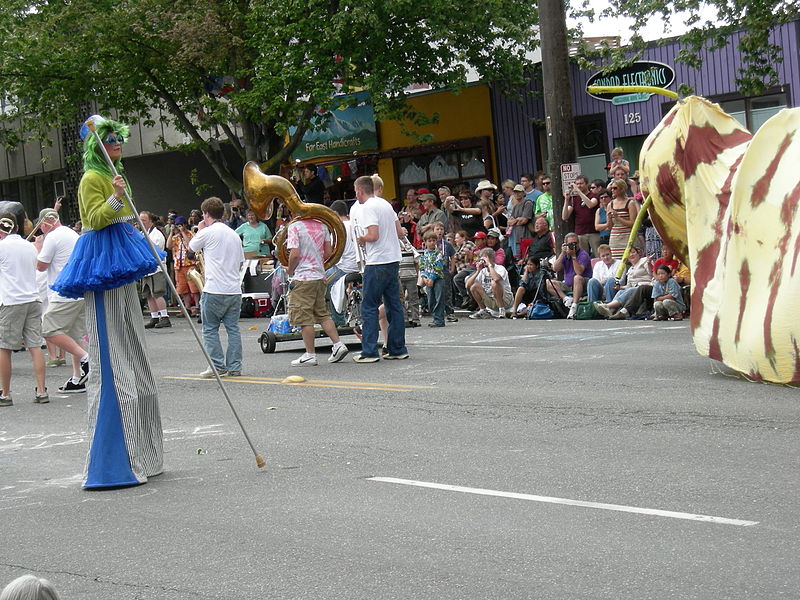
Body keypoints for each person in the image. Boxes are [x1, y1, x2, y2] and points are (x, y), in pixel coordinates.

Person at [52, 115, 163, 488]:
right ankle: (116, 461)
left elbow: (125, 212)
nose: (116, 143)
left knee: (133, 348)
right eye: (110, 139)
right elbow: (93, 218)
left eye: (119, 138)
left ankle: (145, 454)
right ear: (95, 145)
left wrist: (123, 199)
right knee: (112, 353)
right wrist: (116, 197)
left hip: (121, 251)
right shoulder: (90, 178)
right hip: (101, 257)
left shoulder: (116, 174)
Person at [350, 176, 408, 362]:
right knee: (394, 306)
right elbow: (400, 232)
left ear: (360, 190)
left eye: (355, 191)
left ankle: (369, 351)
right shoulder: (385, 204)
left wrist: (362, 238)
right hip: (393, 259)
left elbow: (373, 235)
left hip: (376, 261)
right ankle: (397, 348)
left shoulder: (366, 207)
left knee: (369, 306)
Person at [34, 208, 90, 394]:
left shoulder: (52, 237)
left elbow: (41, 266)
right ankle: (78, 378)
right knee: (75, 336)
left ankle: (86, 359)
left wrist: (38, 249)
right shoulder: (70, 233)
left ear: (44, 223)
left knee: (48, 330)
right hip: (78, 290)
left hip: (62, 292)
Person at [189, 196, 245, 377]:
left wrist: (199, 229)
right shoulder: (234, 234)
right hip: (234, 290)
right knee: (233, 329)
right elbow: (239, 264)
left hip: (214, 289)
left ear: (205, 213)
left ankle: (217, 366)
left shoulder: (207, 231)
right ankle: (235, 367)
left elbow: (191, 247)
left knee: (210, 329)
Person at [285, 212, 349, 366]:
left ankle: (310, 354)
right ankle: (338, 344)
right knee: (322, 313)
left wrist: (289, 270)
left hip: (303, 278)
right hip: (320, 276)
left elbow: (294, 254)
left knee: (303, 316)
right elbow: (328, 253)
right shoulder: (322, 226)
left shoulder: (295, 226)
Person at [0, 215, 48, 406]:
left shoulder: (2, 247)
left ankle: (5, 392)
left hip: (11, 301)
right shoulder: (29, 246)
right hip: (32, 298)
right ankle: (42, 390)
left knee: (4, 347)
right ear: (17, 227)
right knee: (35, 345)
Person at [547, 232, 592, 319]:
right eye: (570, 244)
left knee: (577, 278)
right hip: (568, 284)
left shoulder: (583, 254)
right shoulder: (565, 254)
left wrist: (573, 256)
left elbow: (579, 272)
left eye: (575, 243)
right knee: (548, 282)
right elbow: (555, 268)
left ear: (578, 243)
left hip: (582, 282)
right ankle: (566, 299)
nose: (573, 246)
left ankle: (574, 306)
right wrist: (562, 253)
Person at [139, 210, 171, 329]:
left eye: (144, 220)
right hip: (146, 269)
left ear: (151, 222)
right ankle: (154, 317)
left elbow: (152, 251)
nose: (141, 222)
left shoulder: (157, 235)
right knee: (148, 294)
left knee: (157, 293)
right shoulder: (143, 233)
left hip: (156, 268)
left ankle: (165, 317)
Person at [167, 216, 200, 318]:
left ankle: (197, 307)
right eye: (178, 225)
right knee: (183, 288)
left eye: (181, 224)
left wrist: (183, 232)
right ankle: (187, 308)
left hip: (189, 264)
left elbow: (190, 244)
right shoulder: (175, 237)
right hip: (179, 265)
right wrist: (172, 232)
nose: (179, 227)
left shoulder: (191, 234)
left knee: (194, 287)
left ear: (185, 224)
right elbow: (168, 246)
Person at [466, 247, 514, 319]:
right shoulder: (483, 271)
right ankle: (483, 310)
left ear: (491, 258)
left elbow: (496, 278)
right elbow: (468, 285)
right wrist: (478, 271)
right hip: (491, 299)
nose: (482, 261)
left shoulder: (500, 268)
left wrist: (490, 265)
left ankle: (502, 310)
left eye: (484, 259)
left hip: (505, 300)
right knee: (474, 287)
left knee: (494, 283)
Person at [561, 175, 600, 256]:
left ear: (587, 184)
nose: (579, 186)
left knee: (598, 255)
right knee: (582, 256)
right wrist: (566, 199)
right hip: (580, 232)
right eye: (577, 184)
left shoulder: (594, 195)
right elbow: (565, 216)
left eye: (581, 183)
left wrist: (578, 191)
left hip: (593, 231)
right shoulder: (574, 199)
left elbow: (590, 204)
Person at [418, 231, 447, 327]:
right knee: (431, 299)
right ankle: (435, 317)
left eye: (434, 241)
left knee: (439, 299)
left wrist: (432, 278)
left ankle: (439, 319)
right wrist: (424, 277)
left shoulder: (438, 253)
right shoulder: (424, 254)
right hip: (428, 279)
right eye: (429, 241)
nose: (432, 243)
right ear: (425, 242)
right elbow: (421, 267)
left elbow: (439, 267)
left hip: (438, 278)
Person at [607, 178, 639, 260]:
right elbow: (609, 227)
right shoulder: (610, 204)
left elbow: (633, 223)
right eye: (612, 188)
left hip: (627, 237)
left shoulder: (630, 203)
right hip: (615, 239)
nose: (613, 190)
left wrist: (618, 218)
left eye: (615, 188)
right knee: (616, 262)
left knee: (629, 260)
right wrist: (610, 218)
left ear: (622, 189)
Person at [507, 184, 534, 258]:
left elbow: (524, 220)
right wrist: (518, 220)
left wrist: (516, 221)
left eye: (519, 192)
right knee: (518, 258)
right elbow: (509, 221)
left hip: (526, 235)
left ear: (523, 193)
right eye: (515, 192)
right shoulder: (515, 206)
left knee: (527, 257)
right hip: (517, 236)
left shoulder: (528, 203)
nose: (517, 194)